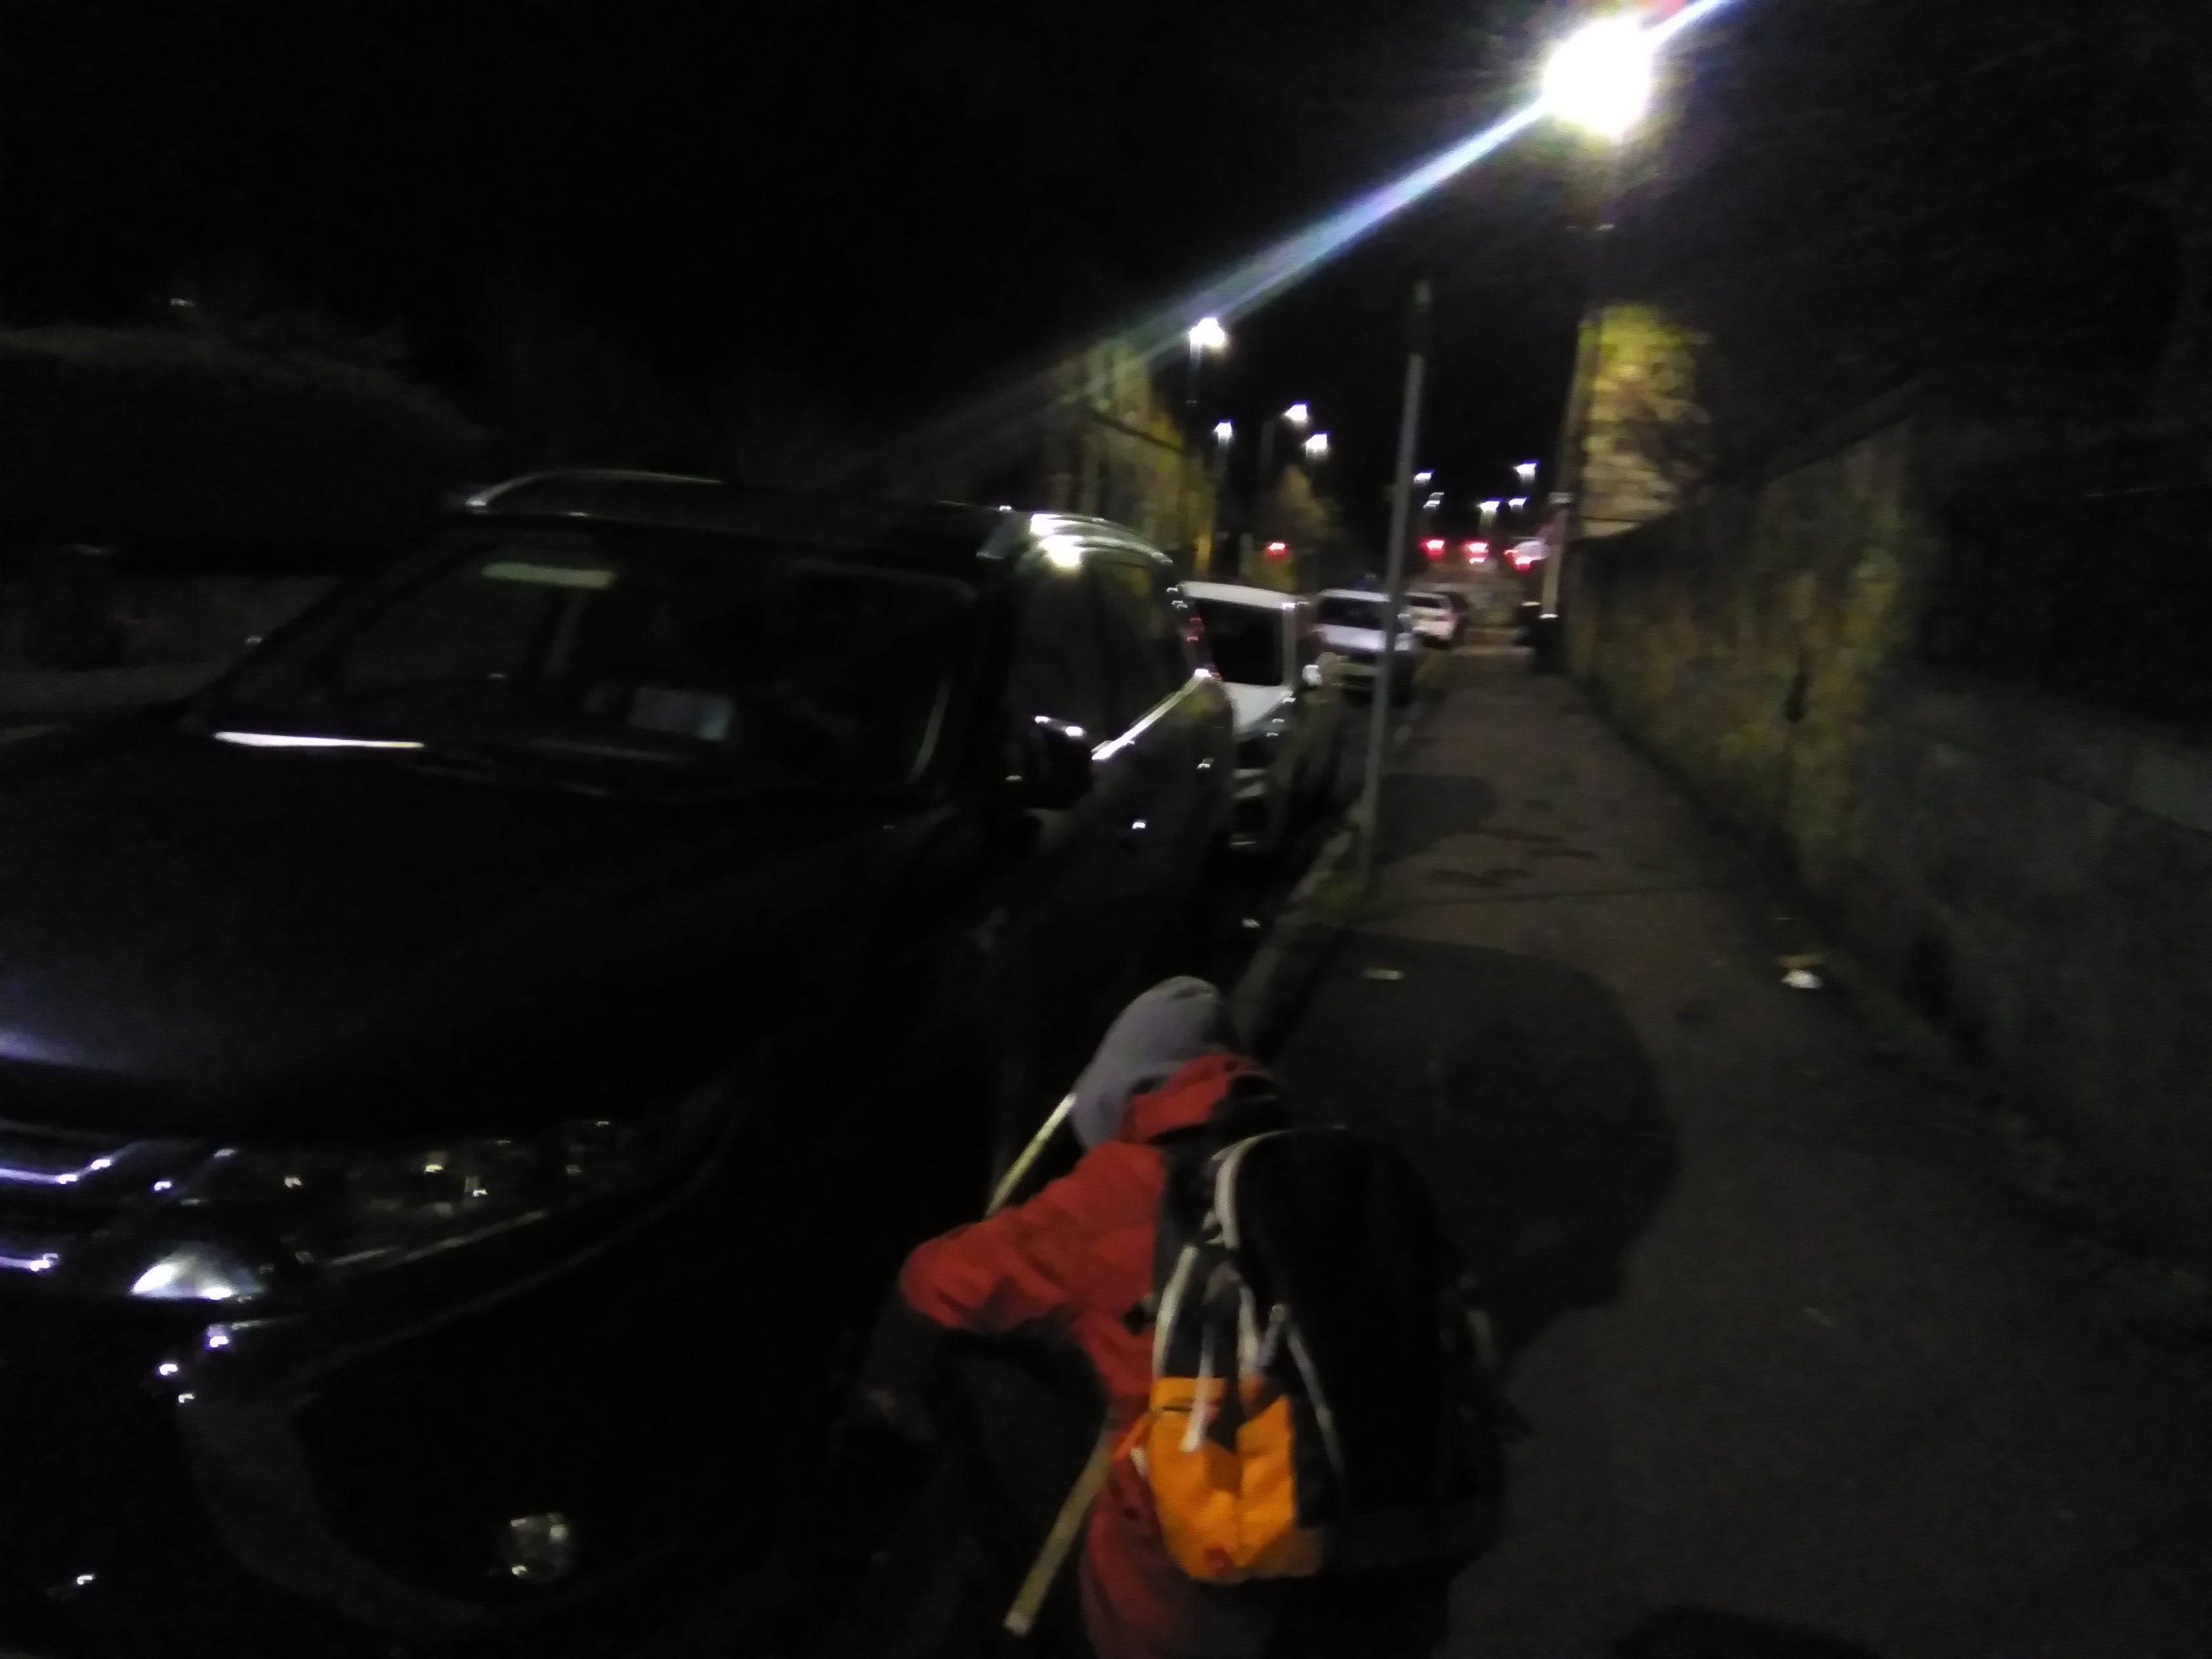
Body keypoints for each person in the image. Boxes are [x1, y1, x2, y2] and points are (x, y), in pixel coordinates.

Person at [855, 978, 1454, 1659]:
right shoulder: (1337, 1174)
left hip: (1199, 1613)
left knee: (988, 1350)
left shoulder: (1124, 1190)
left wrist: (887, 1388)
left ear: (1124, 1091)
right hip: (1399, 1580)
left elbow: (935, 1281)